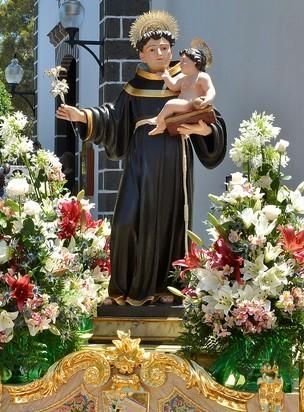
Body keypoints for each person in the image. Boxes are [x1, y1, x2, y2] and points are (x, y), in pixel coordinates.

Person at [55, 10, 226, 306]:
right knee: (125, 221)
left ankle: (166, 289)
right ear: (141, 54)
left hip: (174, 158)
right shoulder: (134, 86)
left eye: (165, 48)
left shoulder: (186, 79)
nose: (160, 54)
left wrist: (203, 128)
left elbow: (211, 116)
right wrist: (81, 114)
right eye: (152, 50)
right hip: (140, 162)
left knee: (169, 223)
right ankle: (124, 288)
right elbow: (113, 117)